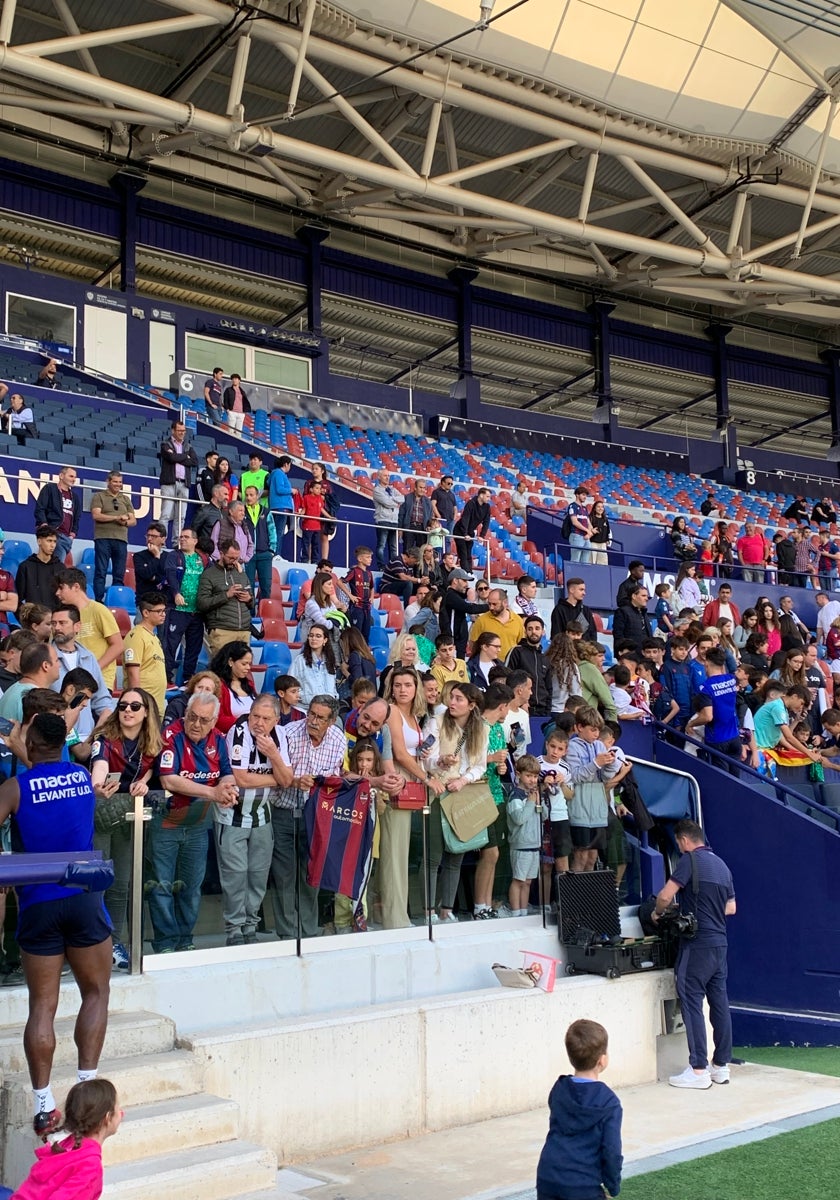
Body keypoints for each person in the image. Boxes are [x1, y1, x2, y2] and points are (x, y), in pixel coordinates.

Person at [0, 713, 113, 1137]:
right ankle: (86, 1089)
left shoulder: (15, 787)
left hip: (38, 903)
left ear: (29, 743)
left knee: (42, 1006)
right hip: (83, 897)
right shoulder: (83, 777)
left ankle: (45, 1105)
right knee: (96, 991)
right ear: (63, 742)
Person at [147, 691, 238, 953]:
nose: (196, 724)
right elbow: (169, 780)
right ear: (185, 714)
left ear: (214, 721)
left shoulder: (219, 740)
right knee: (162, 885)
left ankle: (185, 940)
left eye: (204, 720)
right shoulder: (171, 736)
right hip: (166, 822)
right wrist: (212, 792)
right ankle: (165, 943)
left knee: (191, 887)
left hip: (199, 824)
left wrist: (227, 789)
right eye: (192, 717)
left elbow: (227, 775)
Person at [655, 819, 736, 1090]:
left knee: (691, 1001)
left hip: (697, 944)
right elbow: (731, 908)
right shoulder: (722, 866)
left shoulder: (689, 861)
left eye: (679, 844)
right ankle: (720, 1066)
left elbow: (667, 895)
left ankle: (698, 1068)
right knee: (719, 1003)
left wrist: (657, 911)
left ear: (685, 841)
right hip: (720, 944)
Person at [90, 688, 161, 970]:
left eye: (135, 706)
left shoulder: (154, 741)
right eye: (123, 706)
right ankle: (92, 943)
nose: (127, 710)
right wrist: (98, 787)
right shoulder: (105, 739)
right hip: (101, 815)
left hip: (131, 816)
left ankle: (113, 942)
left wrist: (147, 779)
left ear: (146, 712)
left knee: (121, 885)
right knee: (98, 882)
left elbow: (155, 767)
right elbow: (99, 768)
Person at [269, 694, 345, 939]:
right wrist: (294, 781)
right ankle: (287, 934)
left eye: (320, 718)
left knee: (311, 875)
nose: (312, 720)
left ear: (331, 721)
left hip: (315, 817)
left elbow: (334, 778)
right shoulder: (288, 733)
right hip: (283, 811)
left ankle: (308, 932)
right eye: (311, 713)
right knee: (284, 876)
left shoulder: (337, 739)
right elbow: (276, 774)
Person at [222, 694, 293, 946]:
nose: (258, 723)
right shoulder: (238, 732)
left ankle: (250, 925)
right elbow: (242, 779)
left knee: (258, 875)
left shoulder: (281, 735)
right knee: (236, 875)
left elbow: (287, 779)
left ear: (276, 719)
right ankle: (234, 928)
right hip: (233, 815)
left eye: (265, 718)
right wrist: (278, 777)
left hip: (263, 815)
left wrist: (273, 755)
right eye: (255, 716)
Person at [536, 1018, 622, 1200]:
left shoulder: (559, 1089)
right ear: (602, 1060)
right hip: (582, 1184)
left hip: (547, 1176)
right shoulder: (609, 1102)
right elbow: (612, 1150)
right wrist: (613, 1186)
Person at [425, 681, 487, 923]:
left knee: (456, 854)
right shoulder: (437, 721)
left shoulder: (480, 728)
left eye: (459, 699)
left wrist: (464, 780)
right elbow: (425, 758)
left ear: (471, 705)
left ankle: (446, 909)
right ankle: (429, 910)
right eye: (452, 697)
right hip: (438, 792)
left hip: (462, 793)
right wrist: (440, 761)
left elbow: (480, 766)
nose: (452, 702)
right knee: (433, 856)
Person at [11, 1077, 122, 1200]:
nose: (122, 1113)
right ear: (107, 1117)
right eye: (118, 1109)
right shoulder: (90, 1165)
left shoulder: (64, 1146)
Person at [163, 527, 207, 684]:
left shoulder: (203, 559)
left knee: (193, 649)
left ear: (195, 541)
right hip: (178, 610)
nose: (182, 539)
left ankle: (188, 679)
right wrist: (176, 593)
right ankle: (166, 679)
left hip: (197, 612)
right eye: (181, 537)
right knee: (170, 646)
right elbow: (171, 575)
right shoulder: (174, 556)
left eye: (186, 537)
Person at [195, 539, 254, 656]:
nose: (234, 561)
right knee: (221, 670)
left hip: (244, 631)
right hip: (222, 631)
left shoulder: (241, 573)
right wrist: (227, 595)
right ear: (221, 554)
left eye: (237, 558)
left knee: (240, 672)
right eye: (231, 558)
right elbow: (202, 603)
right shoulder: (209, 574)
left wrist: (249, 599)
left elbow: (252, 603)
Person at [502, 754, 541, 917]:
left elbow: (543, 816)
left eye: (535, 776)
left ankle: (523, 912)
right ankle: (516, 912)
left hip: (534, 844)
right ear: (518, 774)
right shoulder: (515, 796)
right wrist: (531, 802)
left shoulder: (533, 794)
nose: (532, 780)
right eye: (529, 775)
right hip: (521, 844)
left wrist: (539, 802)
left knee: (528, 881)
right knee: (518, 880)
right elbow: (519, 819)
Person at [89, 471, 136, 603]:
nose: (118, 484)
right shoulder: (99, 496)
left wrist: (125, 522)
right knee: (101, 571)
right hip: (103, 538)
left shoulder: (125, 499)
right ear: (108, 481)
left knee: (119, 573)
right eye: (115, 481)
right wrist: (116, 518)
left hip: (121, 539)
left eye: (120, 482)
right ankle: (98, 600)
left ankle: (117, 600)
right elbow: (96, 515)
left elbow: (133, 521)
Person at [159, 419, 198, 541]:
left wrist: (178, 457)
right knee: (165, 514)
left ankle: (177, 542)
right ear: (173, 430)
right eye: (179, 430)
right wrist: (185, 457)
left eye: (184, 431)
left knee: (180, 516)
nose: (182, 433)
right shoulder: (166, 444)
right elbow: (170, 457)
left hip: (184, 484)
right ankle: (161, 540)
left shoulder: (188, 446)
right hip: (169, 483)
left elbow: (195, 461)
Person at [34, 466, 81, 564]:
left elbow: (76, 518)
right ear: (61, 476)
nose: (74, 479)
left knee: (55, 567)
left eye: (75, 477)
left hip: (66, 538)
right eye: (71, 476)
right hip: (52, 533)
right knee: (55, 568)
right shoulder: (50, 489)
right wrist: (44, 527)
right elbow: (40, 508)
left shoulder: (75, 497)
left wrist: (72, 535)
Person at [439, 567, 489, 658]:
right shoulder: (451, 596)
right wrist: (489, 606)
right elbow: (470, 608)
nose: (467, 584)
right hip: (453, 643)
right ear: (455, 581)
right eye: (464, 581)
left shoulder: (455, 595)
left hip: (458, 643)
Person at [209, 640, 256, 734]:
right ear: (231, 661)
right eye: (244, 664)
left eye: (249, 664)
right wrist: (244, 723)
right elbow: (217, 719)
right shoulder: (217, 685)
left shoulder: (250, 684)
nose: (248, 668)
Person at [469, 588, 525, 660]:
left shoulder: (517, 620)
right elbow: (473, 645)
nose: (491, 607)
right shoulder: (481, 620)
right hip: (488, 666)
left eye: (494, 604)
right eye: (489, 604)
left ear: (505, 603)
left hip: (511, 667)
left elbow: (521, 645)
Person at [242, 484, 277, 601]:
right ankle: (250, 615)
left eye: (251, 495)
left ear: (257, 496)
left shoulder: (266, 511)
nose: (248, 497)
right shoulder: (242, 511)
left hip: (264, 554)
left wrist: (272, 550)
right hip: (248, 555)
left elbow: (272, 530)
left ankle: (264, 614)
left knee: (266, 586)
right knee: (248, 586)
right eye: (246, 495)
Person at [291, 624, 339, 708]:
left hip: (327, 709)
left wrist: (334, 697)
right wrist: (306, 697)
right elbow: (291, 687)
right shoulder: (299, 660)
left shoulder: (330, 661)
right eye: (311, 635)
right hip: (306, 708)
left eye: (318, 636)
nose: (313, 638)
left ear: (325, 640)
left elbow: (333, 688)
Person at [16, 525, 64, 607]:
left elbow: (65, 596)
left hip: (55, 618)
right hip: (34, 618)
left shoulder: (61, 567)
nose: (53, 545)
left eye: (54, 541)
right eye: (49, 541)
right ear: (39, 541)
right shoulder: (25, 567)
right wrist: (25, 618)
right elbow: (17, 599)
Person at [453, 486, 491, 573]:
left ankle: (469, 572)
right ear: (481, 495)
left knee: (468, 553)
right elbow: (465, 519)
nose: (489, 499)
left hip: (470, 531)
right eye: (487, 496)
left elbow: (486, 521)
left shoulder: (487, 507)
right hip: (460, 530)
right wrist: (465, 533)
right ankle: (466, 573)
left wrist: (482, 535)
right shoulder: (471, 503)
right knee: (463, 553)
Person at [132, 522, 169, 609]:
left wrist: (154, 578)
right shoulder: (139, 556)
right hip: (144, 602)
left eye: (154, 536)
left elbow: (168, 579)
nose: (149, 539)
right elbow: (145, 575)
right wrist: (156, 556)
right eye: (148, 536)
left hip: (164, 603)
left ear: (163, 539)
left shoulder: (169, 557)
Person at [304, 463, 336, 560]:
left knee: (324, 536)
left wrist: (324, 498)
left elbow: (332, 499)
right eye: (313, 469)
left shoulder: (327, 484)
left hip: (323, 513)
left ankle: (324, 560)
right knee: (309, 537)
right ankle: (309, 559)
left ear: (322, 471)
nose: (314, 470)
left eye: (316, 469)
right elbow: (304, 496)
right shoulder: (309, 483)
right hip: (311, 513)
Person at [372, 469, 402, 569]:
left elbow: (402, 498)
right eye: (385, 475)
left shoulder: (393, 490)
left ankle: (393, 567)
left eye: (388, 475)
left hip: (394, 521)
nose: (387, 477)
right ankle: (381, 566)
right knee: (382, 545)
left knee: (393, 547)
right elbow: (387, 503)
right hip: (383, 520)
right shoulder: (377, 490)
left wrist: (392, 500)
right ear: (379, 477)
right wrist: (395, 502)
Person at [398, 478, 434, 554]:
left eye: (424, 488)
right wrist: (400, 529)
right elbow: (401, 514)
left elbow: (430, 516)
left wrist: (429, 526)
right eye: (420, 487)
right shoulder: (407, 498)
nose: (422, 490)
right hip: (409, 527)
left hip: (422, 528)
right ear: (415, 488)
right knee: (407, 550)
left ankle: (419, 566)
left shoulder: (428, 501)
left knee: (421, 552)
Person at [268, 455, 296, 544]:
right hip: (281, 506)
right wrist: (291, 490)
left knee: (276, 532)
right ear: (286, 464)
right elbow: (280, 489)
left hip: (276, 505)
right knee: (278, 532)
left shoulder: (275, 474)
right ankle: (276, 554)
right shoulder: (279, 473)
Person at [565, 485, 592, 563]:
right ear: (577, 494)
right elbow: (575, 522)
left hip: (586, 537)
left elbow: (588, 522)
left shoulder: (585, 508)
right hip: (576, 535)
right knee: (575, 560)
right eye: (583, 495)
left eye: (586, 495)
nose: (585, 497)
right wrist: (587, 530)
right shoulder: (572, 506)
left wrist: (589, 534)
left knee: (586, 561)